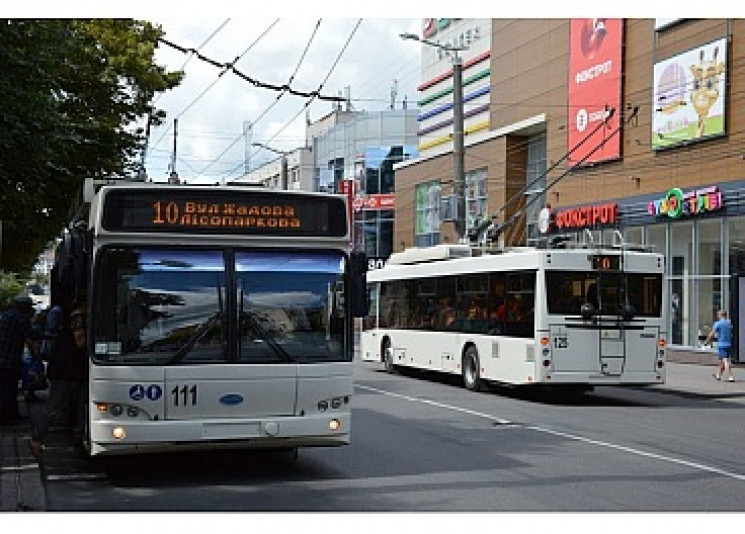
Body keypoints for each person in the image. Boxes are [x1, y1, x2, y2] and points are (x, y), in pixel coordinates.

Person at [30, 300, 88, 458]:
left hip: (69, 368)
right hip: (67, 369)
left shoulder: (73, 317)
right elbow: (80, 343)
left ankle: (78, 433)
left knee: (76, 402)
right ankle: (37, 438)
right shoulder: (79, 318)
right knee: (55, 406)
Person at [0, 296, 36, 424]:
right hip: (11, 360)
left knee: (5, 389)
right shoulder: (21, 318)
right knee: (10, 389)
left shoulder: (6, 315)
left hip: (2, 358)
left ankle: (11, 414)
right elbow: (30, 335)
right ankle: (8, 417)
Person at [705, 309, 736, 382]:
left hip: (722, 345)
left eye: (718, 315)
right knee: (722, 361)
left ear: (720, 315)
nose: (717, 316)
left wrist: (706, 342)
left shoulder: (718, 324)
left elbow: (712, 334)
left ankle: (730, 376)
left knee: (725, 361)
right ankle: (718, 375)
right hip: (728, 344)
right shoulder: (729, 323)